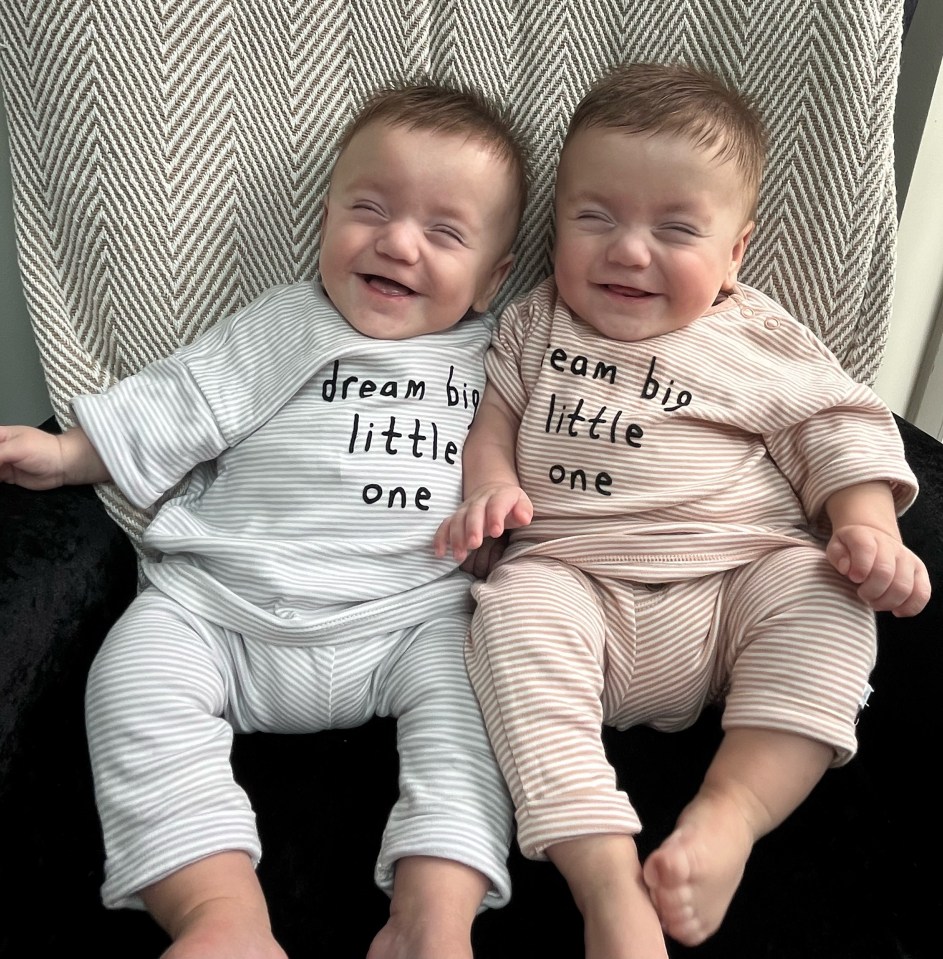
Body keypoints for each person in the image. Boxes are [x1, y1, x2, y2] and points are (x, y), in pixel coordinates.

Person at [0, 81, 529, 959]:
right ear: (324, 218)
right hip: (222, 606)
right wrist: (65, 456)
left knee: (484, 709)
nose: (397, 242)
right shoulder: (283, 325)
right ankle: (219, 912)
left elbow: (534, 471)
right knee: (129, 679)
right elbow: (181, 403)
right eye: (368, 209)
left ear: (494, 275)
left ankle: (433, 912)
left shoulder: (495, 361)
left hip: (408, 615)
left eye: (444, 232)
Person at [434, 61, 932, 959]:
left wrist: (868, 527)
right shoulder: (534, 324)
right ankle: (606, 883)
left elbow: (838, 424)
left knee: (824, 595)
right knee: (507, 616)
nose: (628, 251)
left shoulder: (756, 335)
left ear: (735, 253)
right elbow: (492, 422)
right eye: (595, 218)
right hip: (576, 586)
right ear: (554, 229)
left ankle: (731, 814)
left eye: (675, 228)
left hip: (735, 581)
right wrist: (489, 487)